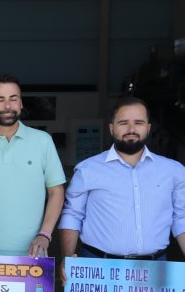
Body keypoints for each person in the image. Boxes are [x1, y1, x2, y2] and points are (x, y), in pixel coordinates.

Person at [59, 96, 185, 271]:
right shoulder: (88, 169)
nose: (131, 129)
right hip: (98, 267)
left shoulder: (174, 171)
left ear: (148, 128)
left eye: (139, 123)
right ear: (111, 128)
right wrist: (67, 257)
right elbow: (73, 214)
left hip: (154, 269)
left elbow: (181, 218)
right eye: (123, 123)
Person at [0, 74, 65, 257]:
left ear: (21, 103)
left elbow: (57, 191)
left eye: (13, 99)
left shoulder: (43, 141)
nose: (7, 106)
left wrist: (44, 235)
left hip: (33, 254)